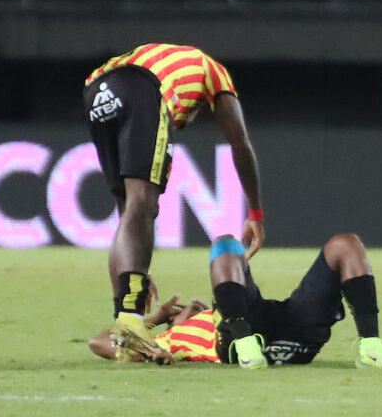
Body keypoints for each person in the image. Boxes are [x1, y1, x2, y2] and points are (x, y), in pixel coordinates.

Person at [84, 43, 265, 362]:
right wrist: (255, 212)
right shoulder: (215, 73)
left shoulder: (164, 61)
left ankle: (126, 322)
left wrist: (135, 268)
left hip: (97, 90)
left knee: (130, 204)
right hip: (141, 85)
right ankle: (130, 320)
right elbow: (241, 145)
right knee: (145, 202)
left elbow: (128, 215)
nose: (184, 123)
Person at [93, 233, 382, 369]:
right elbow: (99, 343)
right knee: (224, 243)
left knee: (345, 244)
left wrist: (211, 307)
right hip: (236, 338)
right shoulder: (163, 341)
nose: (190, 304)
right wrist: (156, 319)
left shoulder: (223, 309)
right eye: (178, 312)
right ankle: (245, 347)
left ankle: (371, 346)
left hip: (289, 328)